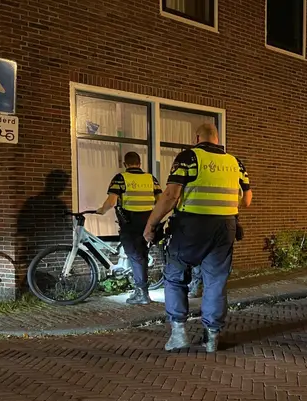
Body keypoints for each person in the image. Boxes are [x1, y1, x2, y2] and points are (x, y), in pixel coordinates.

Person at [144, 123, 252, 353]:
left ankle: (179, 335)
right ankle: (211, 338)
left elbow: (172, 195)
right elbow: (247, 199)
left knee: (175, 277)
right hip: (225, 227)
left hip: (191, 226)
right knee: (215, 281)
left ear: (197, 137)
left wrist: (151, 224)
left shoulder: (189, 157)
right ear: (217, 138)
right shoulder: (235, 162)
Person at [97, 151, 162, 305]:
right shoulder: (151, 179)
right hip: (148, 221)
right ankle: (142, 290)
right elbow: (160, 199)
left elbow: (111, 202)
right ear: (140, 163)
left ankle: (142, 294)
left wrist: (101, 210)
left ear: (125, 164)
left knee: (136, 256)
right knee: (142, 256)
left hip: (130, 222)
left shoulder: (121, 178)